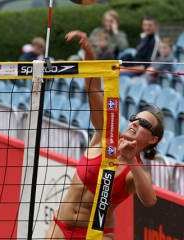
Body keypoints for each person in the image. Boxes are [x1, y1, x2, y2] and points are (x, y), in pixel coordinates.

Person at [44, 30, 165, 240]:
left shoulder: (134, 170)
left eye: (143, 123)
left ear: (153, 139)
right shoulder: (106, 134)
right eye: (135, 117)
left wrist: (131, 161)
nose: (135, 122)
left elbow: (150, 200)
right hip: (61, 227)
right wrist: (90, 55)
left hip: (98, 235)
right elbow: (92, 88)